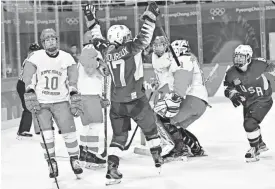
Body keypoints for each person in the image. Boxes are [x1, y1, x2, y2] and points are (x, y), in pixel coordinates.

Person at [83, 2, 162, 185]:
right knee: (150, 128)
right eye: (126, 35)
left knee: (118, 137)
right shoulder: (130, 48)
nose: (128, 37)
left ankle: (112, 168)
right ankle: (157, 158)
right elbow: (144, 37)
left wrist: (90, 18)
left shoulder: (105, 49)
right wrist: (151, 16)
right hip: (136, 100)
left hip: (117, 103)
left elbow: (96, 36)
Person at [22, 28, 83, 178]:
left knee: (70, 133)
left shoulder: (67, 57)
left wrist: (74, 91)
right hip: (42, 102)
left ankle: (75, 160)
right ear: (43, 43)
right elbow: (28, 77)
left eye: (53, 38)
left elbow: (72, 78)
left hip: (61, 101)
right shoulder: (35, 57)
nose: (50, 41)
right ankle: (51, 162)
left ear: (57, 40)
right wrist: (29, 90)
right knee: (47, 135)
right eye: (47, 39)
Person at [151, 37, 208, 159]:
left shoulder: (183, 59)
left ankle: (179, 149)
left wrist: (175, 97)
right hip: (199, 102)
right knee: (175, 126)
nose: (170, 53)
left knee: (160, 117)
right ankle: (195, 147)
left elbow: (182, 80)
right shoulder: (189, 58)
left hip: (191, 99)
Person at [224, 44, 274, 162]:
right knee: (250, 124)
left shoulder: (259, 64)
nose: (238, 59)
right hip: (248, 102)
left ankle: (254, 150)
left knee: (249, 124)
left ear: (249, 57)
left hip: (263, 99)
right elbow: (228, 89)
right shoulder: (231, 72)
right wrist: (233, 94)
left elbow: (272, 68)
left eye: (241, 56)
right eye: (236, 56)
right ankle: (260, 144)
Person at [78, 31, 109, 169]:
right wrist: (100, 63)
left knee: (88, 127)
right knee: (95, 126)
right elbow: (90, 69)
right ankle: (91, 155)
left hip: (86, 94)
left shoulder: (88, 50)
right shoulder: (90, 50)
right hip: (89, 95)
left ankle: (84, 153)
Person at [17, 43, 40, 139]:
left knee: (29, 107)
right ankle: (23, 130)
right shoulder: (33, 59)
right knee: (28, 107)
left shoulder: (28, 58)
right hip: (24, 85)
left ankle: (24, 130)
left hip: (22, 84)